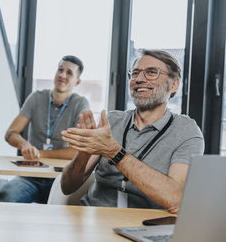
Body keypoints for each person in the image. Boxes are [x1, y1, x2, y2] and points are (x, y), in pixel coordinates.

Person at [61, 49, 204, 213]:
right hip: (94, 219)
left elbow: (174, 199)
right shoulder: (111, 121)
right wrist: (83, 156)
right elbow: (67, 187)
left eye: (151, 72)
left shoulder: (186, 131)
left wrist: (114, 152)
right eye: (135, 73)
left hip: (145, 227)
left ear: (174, 84)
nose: (139, 79)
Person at [0, 55, 90, 203]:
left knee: (70, 212)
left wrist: (39, 153)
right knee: (4, 197)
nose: (62, 75)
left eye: (69, 73)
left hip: (61, 179)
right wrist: (24, 145)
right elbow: (10, 133)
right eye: (60, 70)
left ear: (77, 81)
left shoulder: (80, 104)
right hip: (31, 176)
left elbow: (77, 151)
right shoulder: (36, 98)